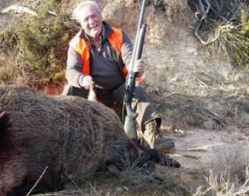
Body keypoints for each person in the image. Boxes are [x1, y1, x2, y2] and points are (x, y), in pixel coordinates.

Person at [63, 0, 174, 151]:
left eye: (93, 16)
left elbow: (130, 59)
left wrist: (135, 68)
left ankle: (152, 138)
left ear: (100, 16)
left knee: (136, 89)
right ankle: (66, 137)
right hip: (92, 94)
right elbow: (71, 72)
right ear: (80, 24)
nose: (91, 21)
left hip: (118, 94)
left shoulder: (119, 36)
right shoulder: (76, 44)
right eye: (86, 19)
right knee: (70, 89)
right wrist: (82, 79)